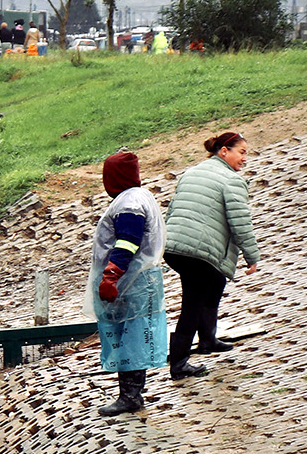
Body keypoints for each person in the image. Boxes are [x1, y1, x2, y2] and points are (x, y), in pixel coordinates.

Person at [163, 131, 262, 379]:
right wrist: (252, 256)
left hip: (174, 247)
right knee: (192, 303)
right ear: (224, 151)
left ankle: (207, 340)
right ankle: (178, 364)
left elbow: (173, 209)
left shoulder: (192, 172)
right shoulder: (232, 181)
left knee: (216, 280)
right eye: (242, 152)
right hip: (196, 252)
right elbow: (240, 222)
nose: (244, 158)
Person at [88, 151, 167, 416]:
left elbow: (127, 242)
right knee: (133, 334)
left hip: (130, 279)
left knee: (130, 336)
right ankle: (131, 393)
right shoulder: (139, 196)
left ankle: (130, 396)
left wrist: (111, 275)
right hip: (139, 278)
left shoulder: (128, 205)